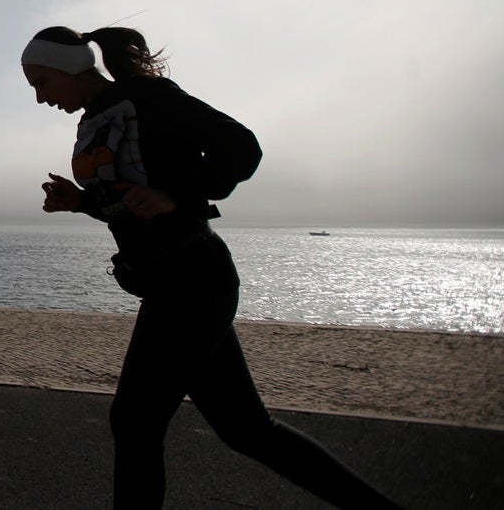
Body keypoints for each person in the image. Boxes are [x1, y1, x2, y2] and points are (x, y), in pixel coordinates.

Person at [21, 26, 402, 510]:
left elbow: (241, 147)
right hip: (172, 284)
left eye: (42, 82)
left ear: (70, 66)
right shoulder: (92, 121)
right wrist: (80, 202)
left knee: (135, 422)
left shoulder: (149, 97)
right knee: (247, 430)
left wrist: (175, 196)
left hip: (193, 278)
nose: (40, 98)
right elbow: (130, 203)